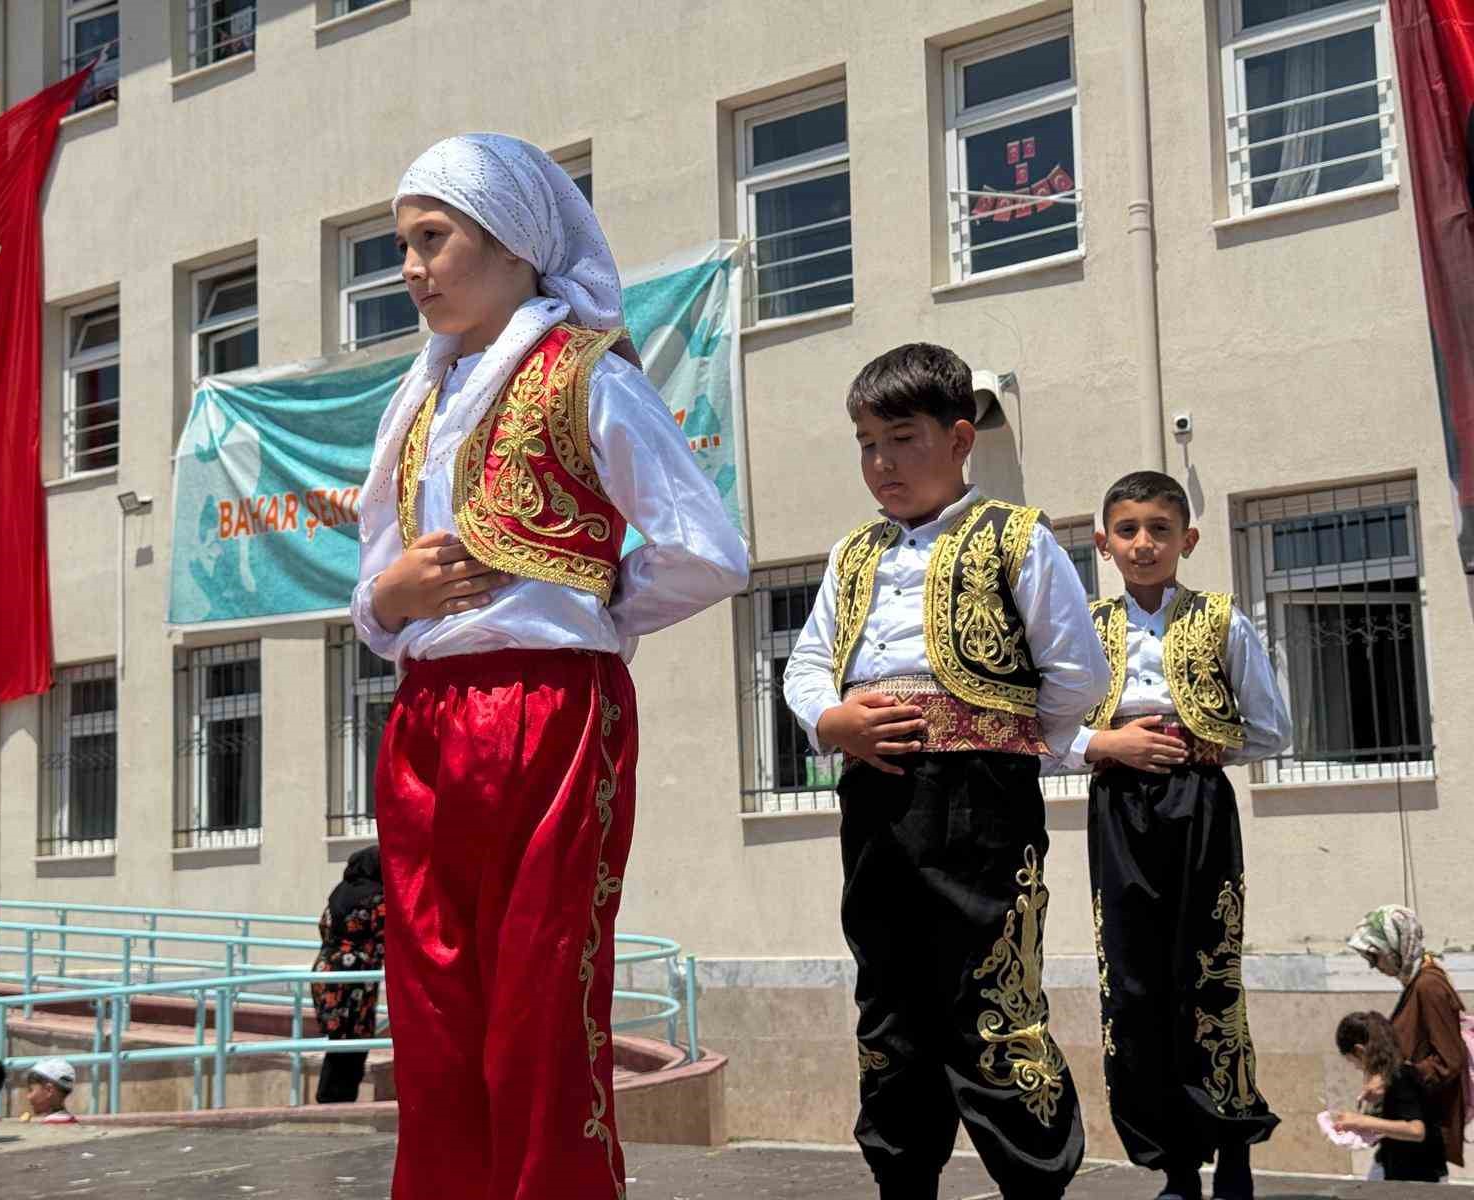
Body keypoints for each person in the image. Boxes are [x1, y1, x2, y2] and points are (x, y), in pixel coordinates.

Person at [350, 133, 749, 1200]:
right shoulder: (419, 402)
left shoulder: (584, 376)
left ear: (514, 239)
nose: (412, 267)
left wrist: (591, 604)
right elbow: (377, 582)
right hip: (427, 714)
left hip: (548, 709)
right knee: (432, 1001)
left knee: (538, 997)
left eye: (433, 238)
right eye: (403, 245)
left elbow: (706, 551)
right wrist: (387, 607)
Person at [782, 343, 1111, 1200]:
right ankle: (902, 1181)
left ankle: (1033, 1182)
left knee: (993, 996)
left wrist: (994, 731)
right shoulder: (852, 554)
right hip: (877, 800)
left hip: (982, 803)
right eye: (866, 444)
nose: (882, 463)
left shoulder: (1015, 536)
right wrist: (832, 719)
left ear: (961, 438)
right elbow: (808, 660)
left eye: (903, 438)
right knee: (889, 1000)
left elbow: (1077, 672)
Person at [1069, 471, 1290, 1200]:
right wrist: (1106, 745)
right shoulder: (1081, 627)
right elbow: (1042, 731)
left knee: (1208, 975)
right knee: (1132, 983)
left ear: (1187, 540)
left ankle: (1232, 1148)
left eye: (1160, 529)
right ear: (1103, 543)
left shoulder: (1224, 619)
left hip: (1198, 805)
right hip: (1118, 806)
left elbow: (1272, 727)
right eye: (1127, 529)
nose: (1143, 544)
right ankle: (1172, 1166)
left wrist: (1212, 744)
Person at [1348, 905, 1467, 1170]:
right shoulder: (1416, 982)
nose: (1372, 966)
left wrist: (1394, 1080)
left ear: (1394, 946)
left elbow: (1450, 1060)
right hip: (1408, 1131)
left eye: (1374, 956)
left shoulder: (1428, 986)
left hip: (1420, 1132)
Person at [1332, 1011, 1448, 1183]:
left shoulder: (1402, 1076)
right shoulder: (1391, 1076)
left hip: (1418, 1177)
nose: (1356, 1068)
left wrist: (1361, 1121)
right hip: (1396, 1168)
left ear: (1360, 1051)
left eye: (1352, 1061)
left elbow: (1416, 1130)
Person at [312, 845, 386, 1104]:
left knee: (338, 1041)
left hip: (327, 972)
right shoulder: (376, 897)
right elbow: (388, 935)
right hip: (355, 980)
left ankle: (329, 1099)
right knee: (354, 1043)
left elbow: (323, 925)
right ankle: (338, 1100)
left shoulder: (340, 892)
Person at [21, 1058, 77, 1124]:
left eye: (31, 1090)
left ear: (49, 1090)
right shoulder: (71, 1121)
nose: (28, 1097)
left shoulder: (50, 1125)